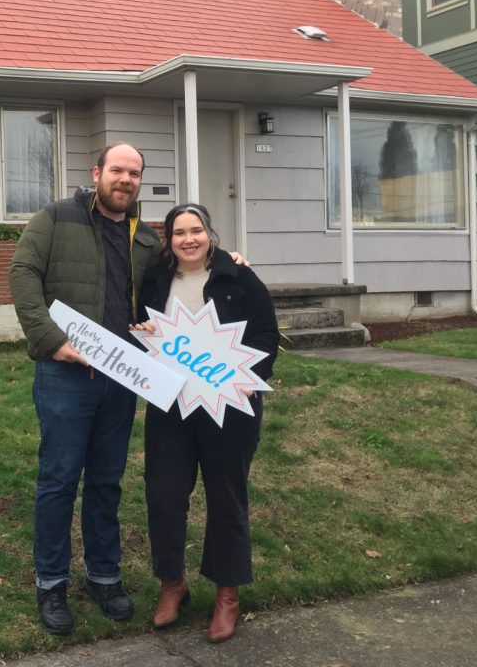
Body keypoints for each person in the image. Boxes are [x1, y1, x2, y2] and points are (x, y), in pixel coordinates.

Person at [8, 142, 161, 635]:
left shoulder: (147, 240)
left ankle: (104, 576)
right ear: (96, 173)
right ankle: (51, 583)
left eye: (134, 173)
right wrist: (51, 342)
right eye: (117, 170)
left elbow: (185, 275)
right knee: (58, 481)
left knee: (106, 481)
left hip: (124, 377)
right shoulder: (55, 218)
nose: (125, 180)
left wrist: (229, 261)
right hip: (66, 378)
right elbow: (22, 274)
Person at [135, 203, 279, 642]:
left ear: (210, 234)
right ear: (169, 240)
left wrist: (254, 378)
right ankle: (172, 584)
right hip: (171, 406)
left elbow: (265, 335)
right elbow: (144, 331)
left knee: (225, 497)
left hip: (229, 406)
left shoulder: (239, 277)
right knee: (164, 493)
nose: (189, 239)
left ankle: (227, 594)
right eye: (179, 233)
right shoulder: (156, 280)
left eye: (196, 230)